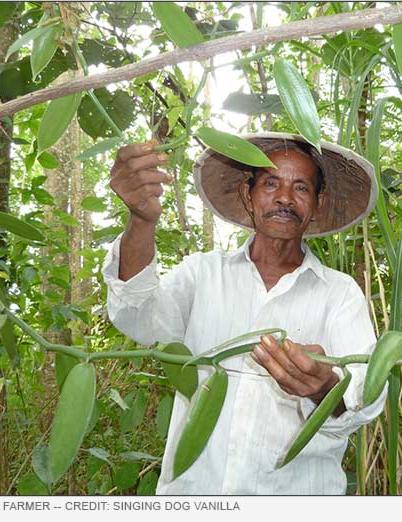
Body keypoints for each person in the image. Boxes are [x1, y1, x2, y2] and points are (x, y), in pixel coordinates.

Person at [103, 132, 387, 495]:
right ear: (247, 196)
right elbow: (136, 317)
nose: (284, 197)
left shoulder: (339, 293)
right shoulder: (201, 274)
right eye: (271, 183)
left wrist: (326, 387)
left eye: (301, 188)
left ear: (318, 204)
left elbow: (367, 394)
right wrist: (141, 222)